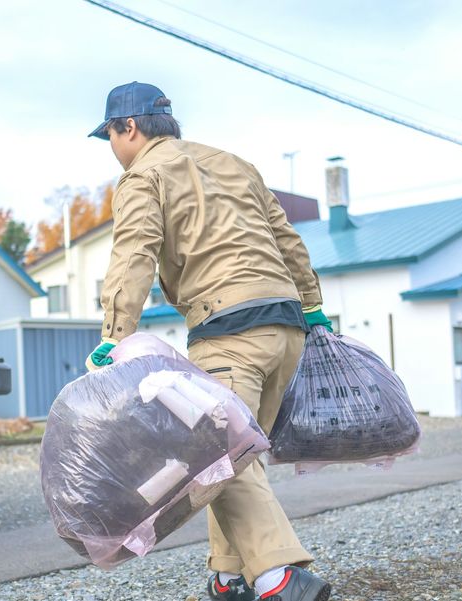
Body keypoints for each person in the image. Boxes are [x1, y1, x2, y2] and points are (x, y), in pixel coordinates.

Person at [85, 81, 333, 601]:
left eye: (109, 132)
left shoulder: (142, 176)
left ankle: (277, 578)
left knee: (219, 456)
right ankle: (227, 579)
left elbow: (133, 258)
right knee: (237, 460)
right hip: (285, 326)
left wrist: (114, 339)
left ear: (129, 127)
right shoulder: (233, 162)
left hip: (229, 331)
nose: (111, 145)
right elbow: (287, 238)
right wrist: (312, 306)